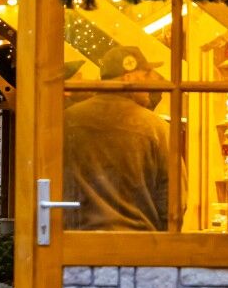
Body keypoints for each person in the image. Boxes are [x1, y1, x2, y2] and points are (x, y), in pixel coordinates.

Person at [63, 45, 170, 231]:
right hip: (139, 242)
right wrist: (161, 238)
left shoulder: (66, 121)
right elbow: (172, 198)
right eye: (146, 74)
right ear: (128, 78)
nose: (151, 81)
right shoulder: (156, 128)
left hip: (77, 241)